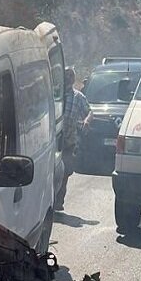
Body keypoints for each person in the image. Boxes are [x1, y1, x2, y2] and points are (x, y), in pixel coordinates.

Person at [55, 67, 93, 210]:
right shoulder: (55, 94)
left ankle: (59, 201)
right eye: (66, 75)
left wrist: (87, 121)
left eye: (71, 75)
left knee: (65, 172)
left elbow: (89, 111)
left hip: (68, 142)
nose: (68, 78)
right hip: (53, 141)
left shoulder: (78, 97)